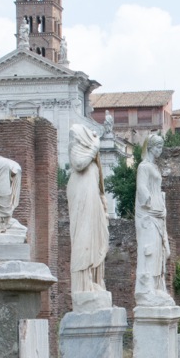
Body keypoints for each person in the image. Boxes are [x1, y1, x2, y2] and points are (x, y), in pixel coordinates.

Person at [67, 122, 109, 295]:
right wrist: (95, 148)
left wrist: (103, 202)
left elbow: (100, 186)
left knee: (95, 236)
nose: (72, 139)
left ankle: (94, 281)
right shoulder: (76, 149)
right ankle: (82, 286)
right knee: (82, 238)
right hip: (80, 199)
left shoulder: (92, 162)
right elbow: (78, 164)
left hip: (93, 202)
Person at [134, 133, 172, 306]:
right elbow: (142, 186)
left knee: (159, 253)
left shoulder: (155, 167)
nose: (160, 150)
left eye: (161, 147)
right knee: (149, 251)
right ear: (150, 147)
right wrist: (149, 201)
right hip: (149, 215)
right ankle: (146, 288)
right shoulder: (144, 166)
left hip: (159, 215)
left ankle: (157, 287)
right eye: (158, 147)